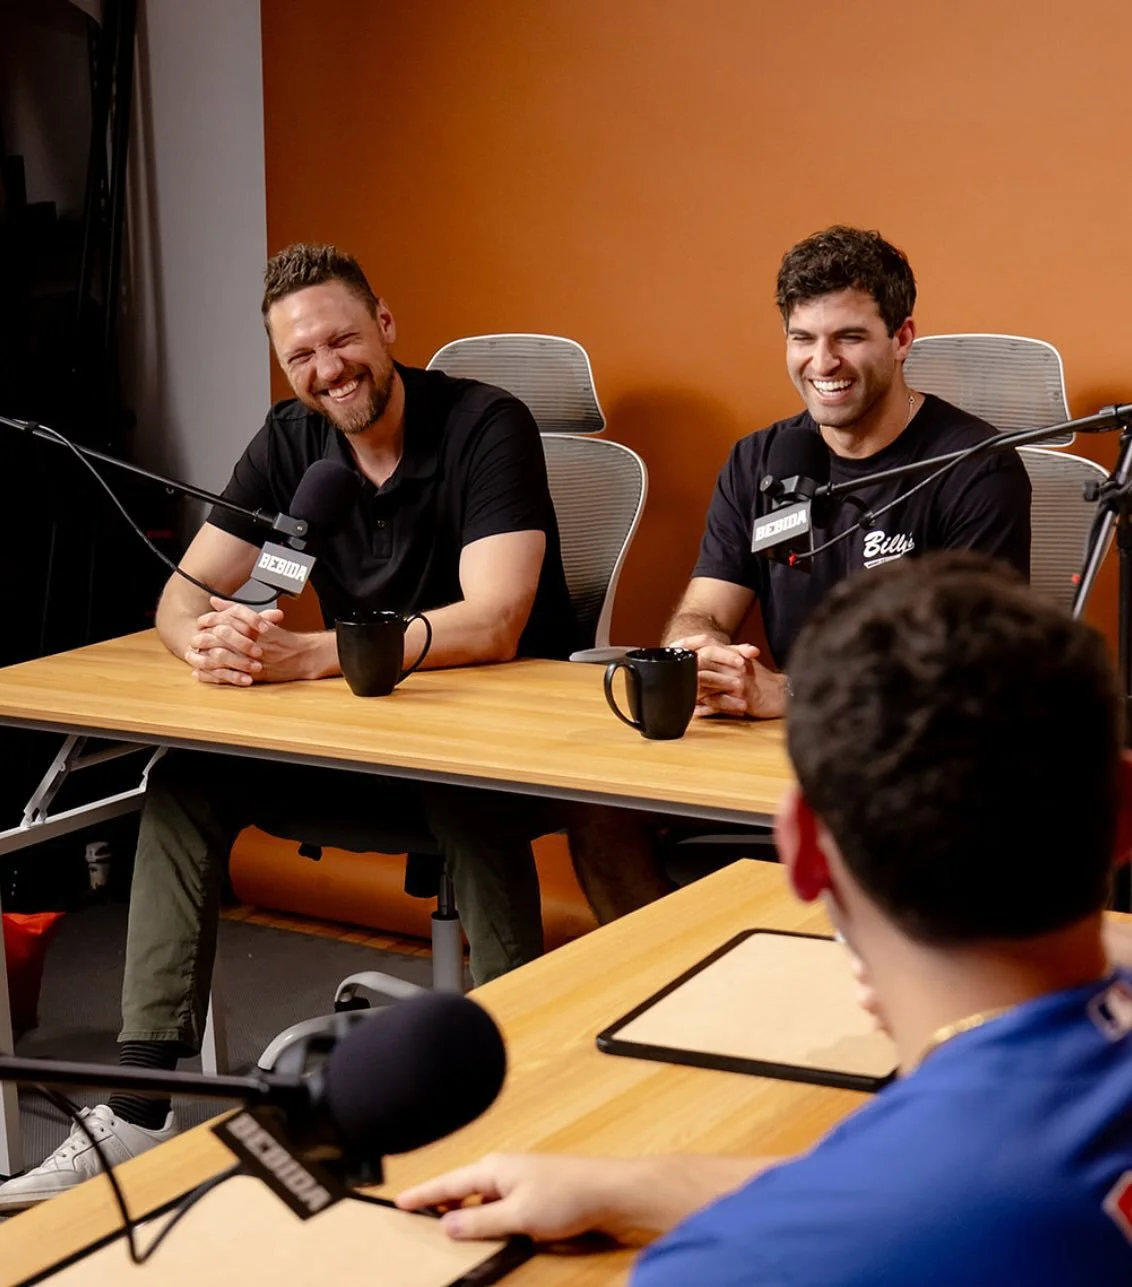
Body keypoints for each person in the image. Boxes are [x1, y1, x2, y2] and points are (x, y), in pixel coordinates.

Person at [0, 242, 579, 1209]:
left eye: (342, 340)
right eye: (301, 356)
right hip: (366, 745)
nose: (328, 369)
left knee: (468, 803)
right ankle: (143, 1105)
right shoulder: (291, 440)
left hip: (486, 754)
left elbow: (497, 615)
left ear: (385, 325)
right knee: (185, 783)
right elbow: (183, 593)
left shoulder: (486, 425)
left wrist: (314, 656)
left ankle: (526, 1092)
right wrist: (206, 644)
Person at [396, 552, 1132, 1285]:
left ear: (804, 850)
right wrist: (639, 1186)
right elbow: (935, 1190)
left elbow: (911, 1201)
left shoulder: (738, 1266)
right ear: (1124, 814)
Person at [665, 224, 1031, 717]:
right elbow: (704, 609)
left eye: (849, 337)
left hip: (924, 740)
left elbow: (972, 668)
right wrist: (700, 654)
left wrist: (792, 693)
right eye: (803, 339)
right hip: (795, 738)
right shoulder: (759, 460)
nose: (822, 362)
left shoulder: (977, 468)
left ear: (901, 338)